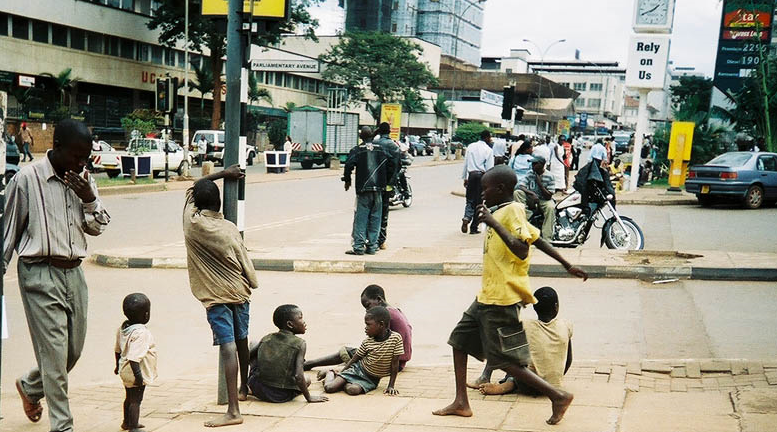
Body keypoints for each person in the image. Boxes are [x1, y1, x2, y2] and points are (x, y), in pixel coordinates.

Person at [432, 165, 587, 425]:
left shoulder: (511, 210)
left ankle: (557, 395)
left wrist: (492, 222)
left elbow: (522, 250)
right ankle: (461, 401)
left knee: (504, 360)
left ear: (501, 189)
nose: (482, 194)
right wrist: (566, 264)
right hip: (487, 295)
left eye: (486, 189)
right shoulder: (506, 210)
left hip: (502, 298)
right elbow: (536, 238)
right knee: (458, 341)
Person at [4, 119, 110, 432]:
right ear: (58, 147)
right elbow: (7, 232)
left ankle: (30, 386)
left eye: (86, 157)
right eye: (76, 156)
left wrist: (89, 197)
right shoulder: (26, 179)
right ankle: (62, 426)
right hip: (39, 273)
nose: (81, 162)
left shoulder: (85, 179)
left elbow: (98, 226)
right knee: (54, 355)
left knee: (71, 352)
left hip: (74, 273)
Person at [182, 164, 259, 427]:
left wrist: (222, 174)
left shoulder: (191, 224)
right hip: (239, 291)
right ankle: (244, 388)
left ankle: (233, 410)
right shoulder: (229, 229)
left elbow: (193, 187)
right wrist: (251, 282)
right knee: (242, 341)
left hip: (215, 296)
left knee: (227, 346)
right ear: (219, 202)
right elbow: (246, 264)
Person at [475, 287, 573, 396]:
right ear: (556, 307)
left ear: (534, 307)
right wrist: (556, 378)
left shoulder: (525, 325)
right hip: (553, 387)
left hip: (527, 386)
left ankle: (501, 380)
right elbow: (569, 360)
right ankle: (512, 381)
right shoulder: (565, 325)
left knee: (505, 344)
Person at [304, 284, 413, 373]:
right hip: (400, 360)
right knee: (353, 354)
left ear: (379, 300)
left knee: (346, 352)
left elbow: (380, 343)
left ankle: (310, 364)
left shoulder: (386, 315)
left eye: (368, 306)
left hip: (392, 363)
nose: (367, 311)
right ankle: (314, 364)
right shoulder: (394, 310)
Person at [247, 305, 328, 404]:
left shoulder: (267, 337)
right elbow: (299, 376)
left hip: (258, 388)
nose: (304, 322)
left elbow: (248, 357)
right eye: (300, 318)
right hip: (281, 395)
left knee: (254, 343)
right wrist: (309, 398)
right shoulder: (300, 343)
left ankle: (247, 386)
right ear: (290, 324)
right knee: (307, 380)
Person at [322, 306, 404, 395]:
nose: (366, 328)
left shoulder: (396, 338)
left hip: (372, 379)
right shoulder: (367, 342)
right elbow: (354, 359)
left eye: (368, 324)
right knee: (329, 388)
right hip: (357, 370)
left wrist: (391, 386)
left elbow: (395, 363)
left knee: (352, 390)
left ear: (381, 324)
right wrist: (342, 373)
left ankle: (343, 382)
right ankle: (330, 373)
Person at [342, 126, 394, 255]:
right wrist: (387, 180)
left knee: (361, 217)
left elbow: (348, 165)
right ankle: (372, 246)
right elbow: (393, 163)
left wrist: (347, 180)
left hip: (363, 188)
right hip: (379, 189)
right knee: (376, 217)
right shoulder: (381, 150)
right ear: (372, 136)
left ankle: (359, 247)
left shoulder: (357, 150)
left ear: (361, 137)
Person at [114, 293, 157, 432]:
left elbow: (117, 350)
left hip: (124, 368)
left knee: (129, 397)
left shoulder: (123, 329)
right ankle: (133, 427)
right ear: (146, 315)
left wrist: (116, 366)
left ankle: (126, 422)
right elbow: (134, 358)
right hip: (135, 370)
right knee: (136, 400)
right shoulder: (142, 333)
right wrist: (139, 377)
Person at [373, 123, 401, 250]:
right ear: (389, 132)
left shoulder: (374, 143)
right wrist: (391, 182)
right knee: (384, 212)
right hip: (387, 184)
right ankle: (381, 240)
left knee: (372, 211)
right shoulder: (393, 145)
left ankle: (371, 238)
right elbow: (397, 165)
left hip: (373, 183)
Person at [514, 155, 556, 240]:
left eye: (535, 164)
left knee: (550, 208)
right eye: (532, 164)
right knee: (517, 193)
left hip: (544, 200)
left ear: (542, 165)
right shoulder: (530, 173)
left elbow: (549, 195)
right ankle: (528, 214)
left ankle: (547, 236)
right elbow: (521, 186)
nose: (533, 166)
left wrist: (540, 185)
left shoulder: (550, 176)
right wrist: (531, 194)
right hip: (532, 198)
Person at [461, 130, 494, 234]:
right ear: (487, 138)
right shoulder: (488, 150)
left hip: (471, 175)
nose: (490, 140)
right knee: (479, 202)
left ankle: (466, 217)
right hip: (482, 176)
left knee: (470, 199)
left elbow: (466, 163)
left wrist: (465, 178)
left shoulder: (470, 147)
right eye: (490, 138)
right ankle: (474, 227)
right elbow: (489, 168)